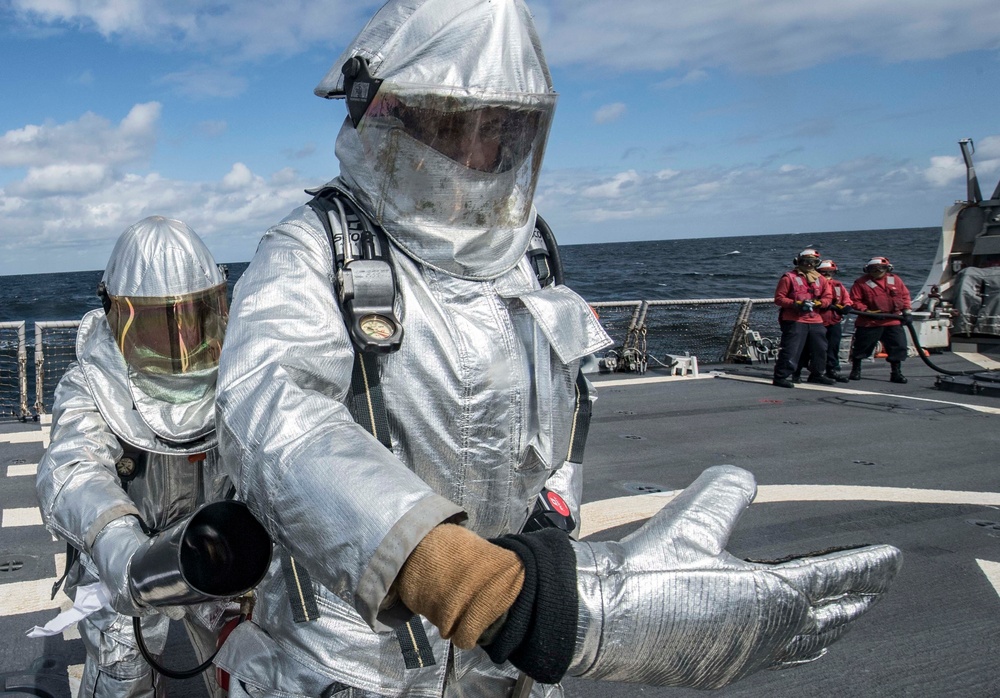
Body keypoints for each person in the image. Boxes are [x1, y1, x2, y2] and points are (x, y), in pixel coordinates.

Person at [213, 1, 902, 696]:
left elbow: (564, 416)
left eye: (505, 129)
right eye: (460, 125)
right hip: (351, 658)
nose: (483, 153)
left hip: (506, 654)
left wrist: (550, 527)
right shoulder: (312, 250)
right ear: (387, 118)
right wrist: (468, 580)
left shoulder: (527, 258)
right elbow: (273, 417)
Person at [34, 216, 233, 698]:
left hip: (221, 547)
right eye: (158, 324)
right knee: (121, 671)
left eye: (195, 319)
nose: (183, 341)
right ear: (118, 319)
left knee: (251, 666)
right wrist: (119, 546)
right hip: (129, 558)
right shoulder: (91, 383)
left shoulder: (238, 369)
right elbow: (72, 468)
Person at [772, 248, 835, 388]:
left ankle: (817, 375)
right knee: (791, 349)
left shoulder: (821, 279)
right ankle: (781, 376)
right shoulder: (788, 278)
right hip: (795, 320)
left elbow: (828, 297)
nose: (808, 264)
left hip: (816, 320)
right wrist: (796, 304)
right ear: (799, 262)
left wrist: (821, 303)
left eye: (812, 262)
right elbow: (779, 298)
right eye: (806, 261)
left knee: (820, 349)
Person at [849, 256, 913, 383]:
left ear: (887, 268)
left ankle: (896, 373)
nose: (877, 271)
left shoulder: (895, 280)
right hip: (870, 321)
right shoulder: (861, 283)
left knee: (898, 346)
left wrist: (907, 312)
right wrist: (867, 311)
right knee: (862, 347)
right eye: (874, 269)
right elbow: (854, 301)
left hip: (893, 320)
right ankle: (856, 370)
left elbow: (905, 296)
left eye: (881, 268)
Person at [793, 259, 852, 383]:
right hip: (815, 322)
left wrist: (846, 306)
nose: (827, 275)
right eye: (824, 272)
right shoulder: (813, 284)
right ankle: (797, 372)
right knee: (806, 349)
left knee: (832, 348)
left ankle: (831, 371)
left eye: (830, 272)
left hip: (833, 321)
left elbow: (846, 299)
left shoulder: (837, 285)